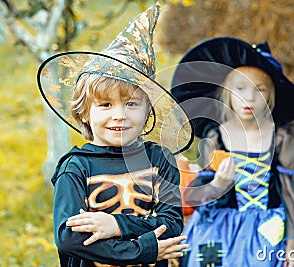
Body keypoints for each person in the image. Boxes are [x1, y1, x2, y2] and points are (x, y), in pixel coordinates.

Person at [37, 3, 193, 267]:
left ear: (147, 111)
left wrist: (115, 224)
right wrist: (142, 250)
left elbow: (172, 224)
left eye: (131, 104)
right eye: (105, 105)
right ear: (84, 112)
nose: (120, 115)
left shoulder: (159, 159)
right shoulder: (76, 167)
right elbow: (69, 237)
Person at [170, 37, 294, 266]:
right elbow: (194, 196)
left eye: (259, 90)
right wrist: (218, 185)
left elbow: (292, 192)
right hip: (221, 224)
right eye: (240, 88)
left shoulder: (282, 136)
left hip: (267, 224)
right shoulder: (217, 135)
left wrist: (292, 242)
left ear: (271, 94)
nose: (248, 98)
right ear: (227, 92)